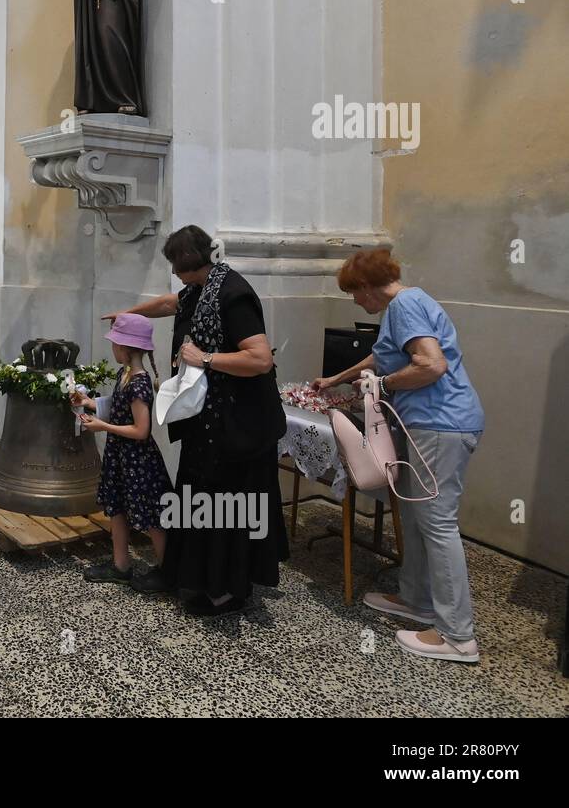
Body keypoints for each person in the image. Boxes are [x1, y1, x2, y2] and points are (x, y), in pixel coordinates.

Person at [103, 225, 289, 616]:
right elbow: (173, 303)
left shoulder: (233, 294)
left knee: (224, 506)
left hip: (238, 428)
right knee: (197, 500)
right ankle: (187, 574)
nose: (174, 274)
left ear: (192, 264)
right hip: (206, 424)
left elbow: (259, 359)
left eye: (176, 266)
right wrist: (129, 313)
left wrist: (203, 358)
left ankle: (227, 589)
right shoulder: (201, 288)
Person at [315, 248, 485, 663]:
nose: (355, 302)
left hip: (440, 425)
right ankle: (417, 600)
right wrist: (339, 378)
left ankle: (457, 636)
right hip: (422, 425)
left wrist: (382, 386)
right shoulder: (401, 307)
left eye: (354, 293)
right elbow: (383, 353)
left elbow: (430, 365)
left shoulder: (406, 304)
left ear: (368, 286)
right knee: (413, 516)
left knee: (437, 523)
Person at [72, 313, 172, 588]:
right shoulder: (125, 374)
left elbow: (141, 430)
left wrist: (102, 426)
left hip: (138, 461)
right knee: (117, 508)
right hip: (120, 457)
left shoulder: (139, 384)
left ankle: (167, 571)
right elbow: (119, 408)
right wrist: (90, 403)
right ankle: (120, 565)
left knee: (152, 515)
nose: (113, 348)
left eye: (116, 344)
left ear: (126, 348)